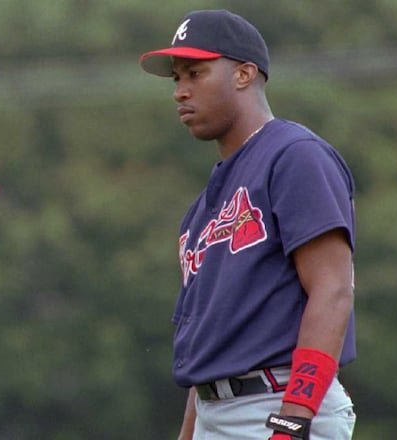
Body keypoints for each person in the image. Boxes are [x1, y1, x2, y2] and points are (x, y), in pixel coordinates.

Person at [138, 9, 357, 440]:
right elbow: (211, 344)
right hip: (215, 413)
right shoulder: (203, 209)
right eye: (177, 78)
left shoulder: (294, 156)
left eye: (195, 73)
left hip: (278, 404)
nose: (180, 92)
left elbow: (332, 290)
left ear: (243, 74)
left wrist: (293, 418)